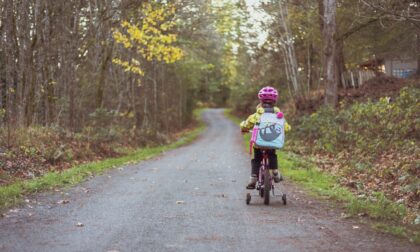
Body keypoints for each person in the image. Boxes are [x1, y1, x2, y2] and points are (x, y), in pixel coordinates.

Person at [240, 86, 291, 189]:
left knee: (257, 158)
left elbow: (246, 124)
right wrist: (286, 129)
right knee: (272, 154)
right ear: (275, 101)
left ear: (260, 100)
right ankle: (275, 172)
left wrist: (243, 127)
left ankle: (253, 178)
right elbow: (286, 127)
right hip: (272, 143)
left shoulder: (256, 115)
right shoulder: (278, 115)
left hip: (259, 144)